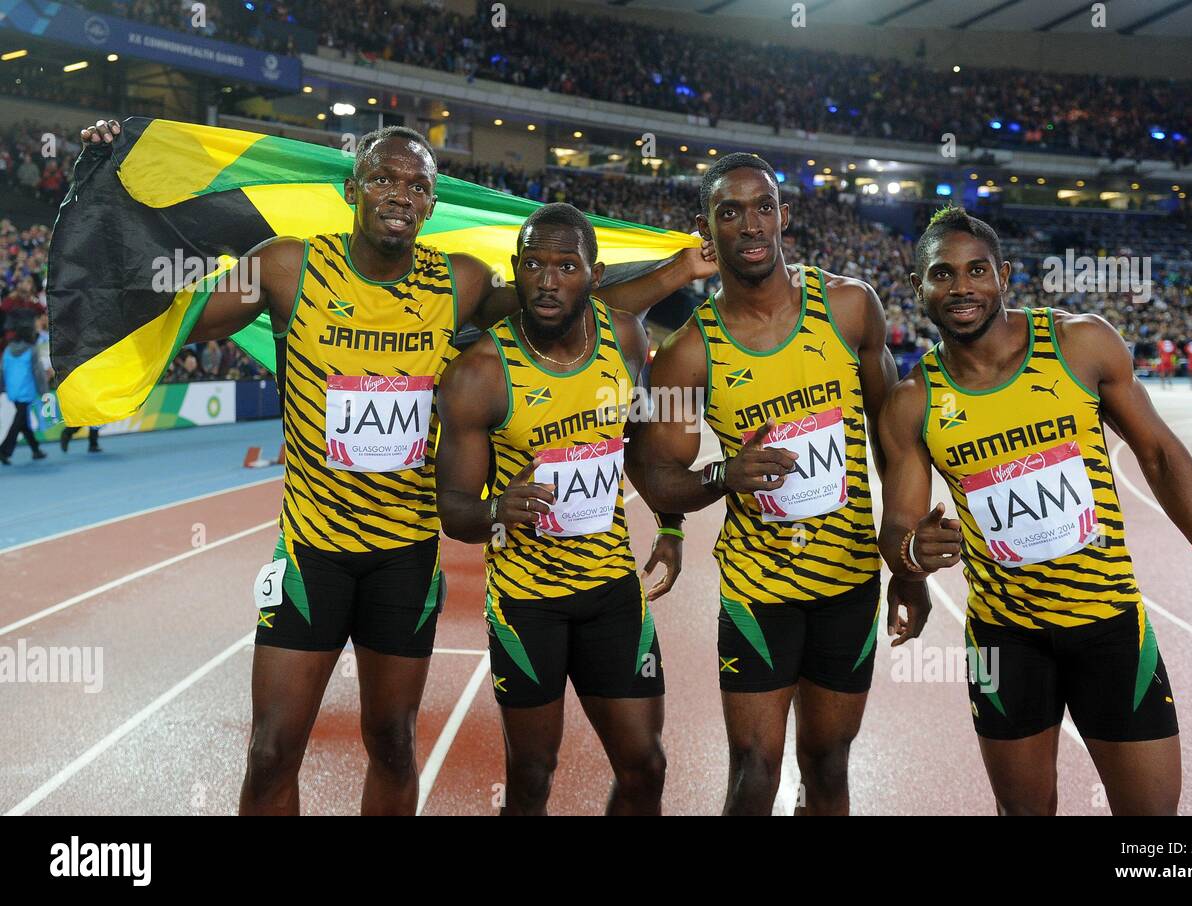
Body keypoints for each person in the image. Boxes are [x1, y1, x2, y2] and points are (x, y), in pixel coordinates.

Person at [77, 119, 714, 816]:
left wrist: (680, 271)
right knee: (269, 750)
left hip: (405, 558)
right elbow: (173, 313)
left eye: (417, 184)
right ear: (351, 188)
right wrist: (111, 186)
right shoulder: (289, 267)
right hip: (312, 553)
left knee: (393, 740)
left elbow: (561, 310)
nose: (399, 193)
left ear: (433, 204)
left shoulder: (459, 282)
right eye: (383, 176)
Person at [877, 206, 1192, 816]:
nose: (961, 288)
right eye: (941, 275)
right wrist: (910, 553)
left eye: (976, 271)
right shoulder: (912, 401)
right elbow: (897, 524)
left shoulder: (1079, 344)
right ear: (919, 286)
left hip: (1109, 626)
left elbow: (1159, 454)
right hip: (1005, 640)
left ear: (1003, 275)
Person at [632, 153, 931, 815]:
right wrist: (722, 475)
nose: (749, 223)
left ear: (784, 216)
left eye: (762, 206)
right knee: (754, 774)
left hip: (847, 583)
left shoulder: (850, 307)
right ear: (707, 230)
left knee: (827, 770)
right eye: (729, 211)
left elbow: (895, 442)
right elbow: (657, 473)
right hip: (757, 589)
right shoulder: (689, 351)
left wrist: (906, 563)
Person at [438, 204, 683, 815]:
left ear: (594, 275)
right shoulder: (480, 374)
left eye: (565, 266)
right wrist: (497, 508)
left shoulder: (624, 338)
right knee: (531, 774)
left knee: (645, 766)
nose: (547, 281)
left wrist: (672, 523)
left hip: (611, 594)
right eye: (533, 265)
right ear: (516, 272)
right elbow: (453, 509)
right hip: (528, 604)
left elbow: (640, 448)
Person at [1, 319, 49, 464]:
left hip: (12, 390)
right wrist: (43, 390)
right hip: (26, 390)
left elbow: (2, 370)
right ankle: (4, 450)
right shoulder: (31, 350)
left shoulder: (8, 350)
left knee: (22, 422)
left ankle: (36, 450)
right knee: (19, 420)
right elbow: (38, 372)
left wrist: (3, 387)